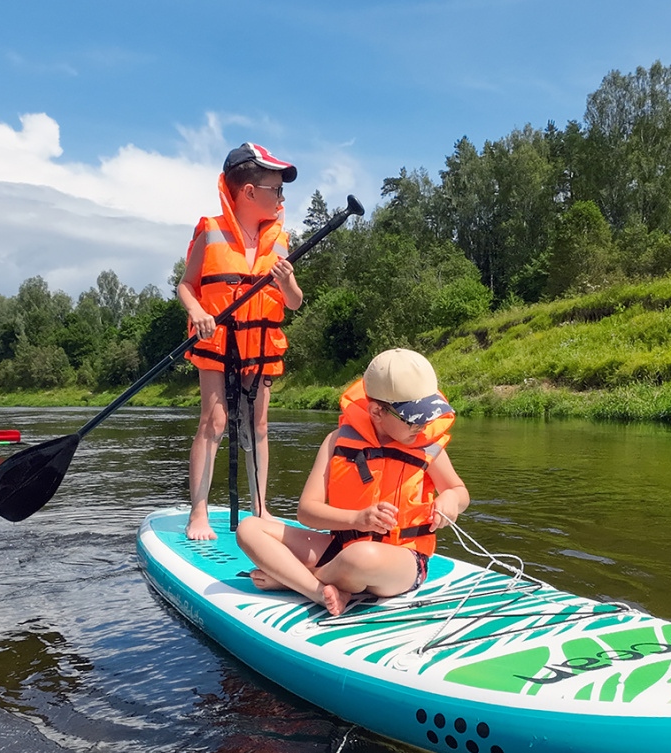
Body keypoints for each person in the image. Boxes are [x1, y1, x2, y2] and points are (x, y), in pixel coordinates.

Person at [236, 349, 468, 617]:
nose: (424, 424)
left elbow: (459, 491)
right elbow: (306, 512)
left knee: (361, 557)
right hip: (341, 548)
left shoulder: (428, 445)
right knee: (249, 528)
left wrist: (450, 500)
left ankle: (292, 579)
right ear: (376, 411)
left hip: (402, 560)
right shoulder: (337, 441)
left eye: (430, 413)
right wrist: (358, 518)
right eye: (413, 418)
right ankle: (315, 590)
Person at [178, 142, 304, 541]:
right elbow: (186, 285)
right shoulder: (211, 232)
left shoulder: (280, 240)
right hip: (217, 340)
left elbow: (295, 302)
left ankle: (261, 510)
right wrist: (197, 311)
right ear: (250, 192)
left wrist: (287, 284)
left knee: (259, 424)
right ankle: (198, 512)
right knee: (213, 422)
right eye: (276, 189)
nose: (281, 197)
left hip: (260, 342)